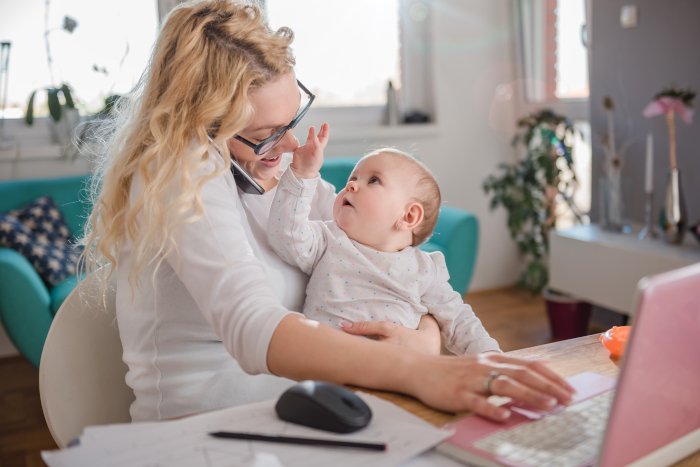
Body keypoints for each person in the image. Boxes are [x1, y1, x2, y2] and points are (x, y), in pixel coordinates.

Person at [82, 0, 574, 424]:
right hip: (207, 435)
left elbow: (386, 268)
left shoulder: (284, 180)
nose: (292, 145)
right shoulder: (180, 172)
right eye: (264, 134)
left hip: (313, 407)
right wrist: (418, 369)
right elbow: (253, 325)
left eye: (293, 119)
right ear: (199, 124)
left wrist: (424, 341)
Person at [268, 141, 501, 356]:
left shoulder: (425, 269)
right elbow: (286, 235)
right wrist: (302, 177)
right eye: (353, 178)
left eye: (373, 180)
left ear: (408, 215)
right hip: (327, 369)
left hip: (398, 374)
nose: (351, 184)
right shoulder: (328, 239)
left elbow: (459, 320)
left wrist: (490, 357)